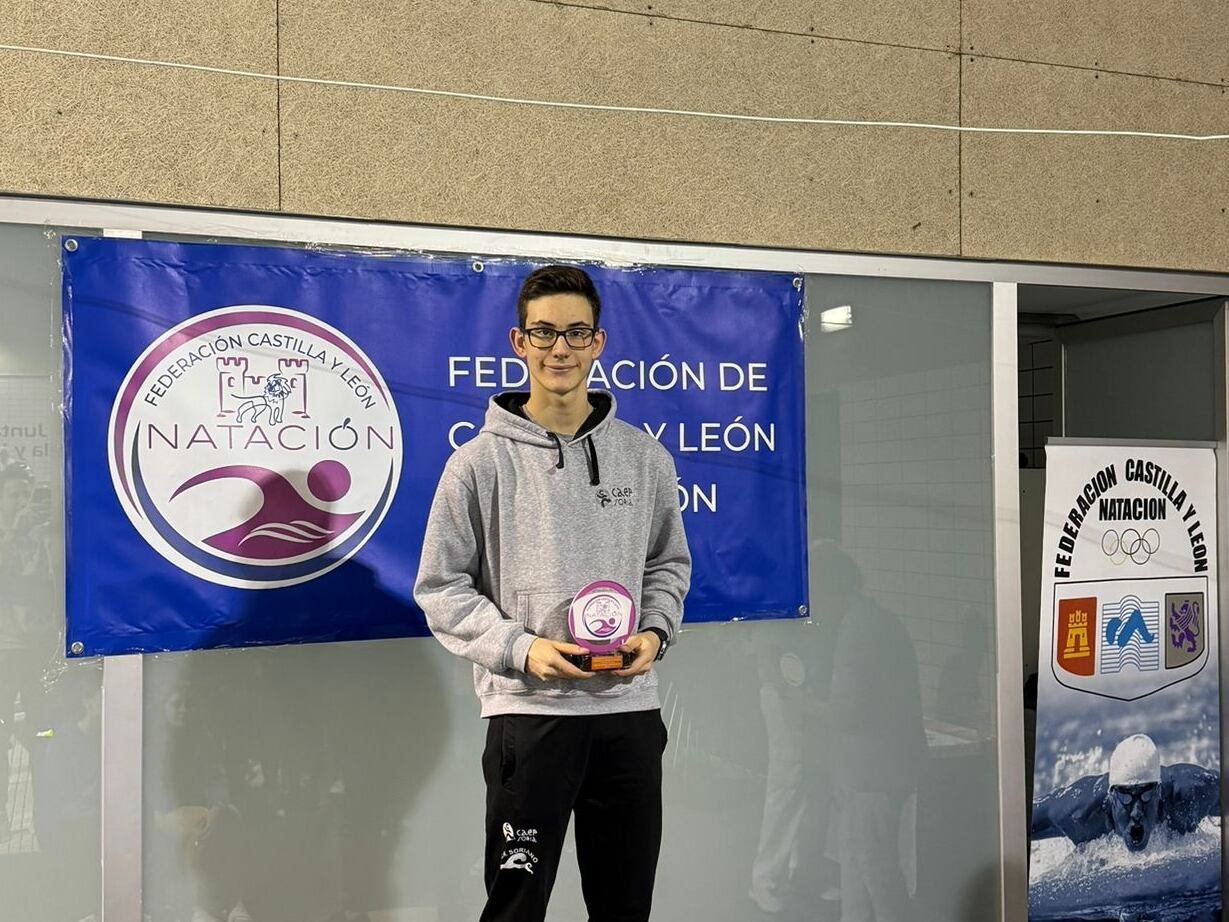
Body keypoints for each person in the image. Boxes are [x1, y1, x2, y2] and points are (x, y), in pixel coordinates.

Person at [414, 265, 691, 922]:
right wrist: (520, 647)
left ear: (598, 342)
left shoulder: (643, 457)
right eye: (543, 333)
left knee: (624, 906)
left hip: (627, 717)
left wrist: (654, 632)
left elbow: (667, 565)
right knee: (516, 907)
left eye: (574, 333)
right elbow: (440, 586)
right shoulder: (478, 463)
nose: (558, 349)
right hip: (529, 720)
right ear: (519, 342)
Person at [1031, 732, 1219, 852]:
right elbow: (1014, 820)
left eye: (1145, 796)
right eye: (1126, 797)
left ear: (1159, 792)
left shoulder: (1189, 795)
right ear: (1112, 796)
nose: (1136, 811)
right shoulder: (1081, 813)